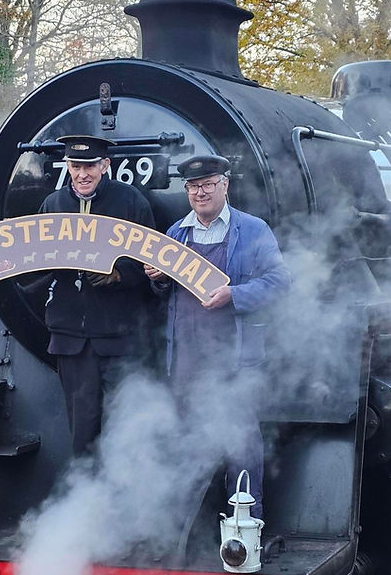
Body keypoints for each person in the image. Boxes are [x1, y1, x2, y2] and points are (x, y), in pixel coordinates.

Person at [144, 154, 289, 517]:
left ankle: (245, 525)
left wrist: (234, 295)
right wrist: (157, 280)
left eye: (208, 184)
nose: (200, 192)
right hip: (188, 358)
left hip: (235, 359)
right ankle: (189, 530)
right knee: (188, 442)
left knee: (240, 441)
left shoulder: (253, 230)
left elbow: (278, 282)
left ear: (225, 184)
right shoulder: (176, 234)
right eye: (193, 186)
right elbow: (167, 298)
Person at [40, 134, 155, 456]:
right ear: (67, 166)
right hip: (71, 337)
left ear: (105, 165)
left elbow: (155, 264)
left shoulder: (131, 202)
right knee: (82, 426)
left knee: (126, 424)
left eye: (90, 165)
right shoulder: (52, 205)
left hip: (119, 333)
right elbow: (33, 262)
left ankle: (125, 498)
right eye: (76, 166)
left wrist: (120, 274)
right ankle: (87, 499)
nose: (83, 174)